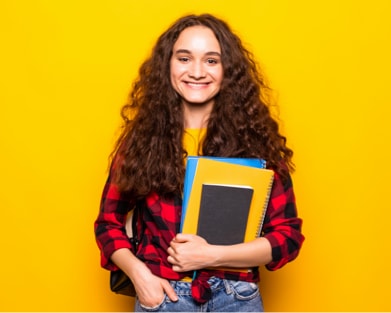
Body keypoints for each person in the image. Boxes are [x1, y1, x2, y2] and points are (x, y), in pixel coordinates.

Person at [94, 13, 304, 312]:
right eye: (184, 58)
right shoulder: (142, 143)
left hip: (237, 298)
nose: (196, 71)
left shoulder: (255, 142)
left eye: (211, 60)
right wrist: (140, 276)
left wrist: (211, 256)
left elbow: (287, 236)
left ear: (227, 70)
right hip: (164, 297)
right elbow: (107, 224)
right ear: (167, 65)